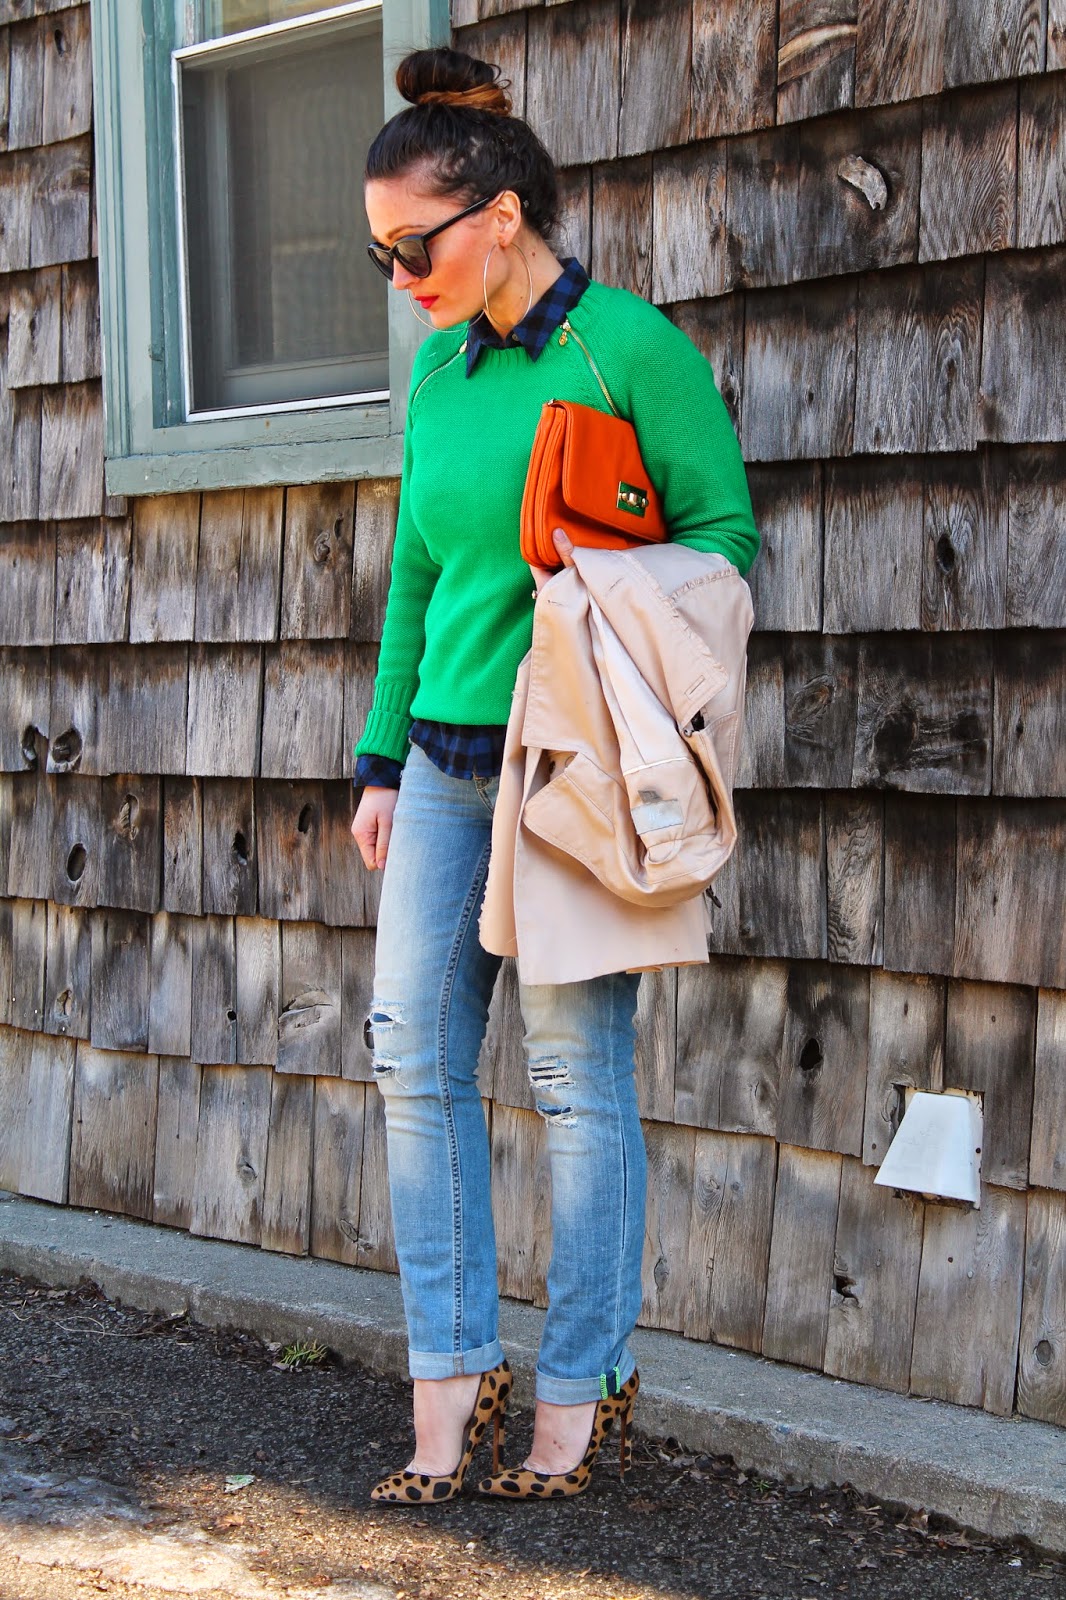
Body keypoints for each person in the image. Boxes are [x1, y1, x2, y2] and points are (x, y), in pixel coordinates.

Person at [350, 45, 760, 1505]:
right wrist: (380, 757)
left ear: (503, 213)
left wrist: (593, 589)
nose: (400, 276)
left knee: (574, 1077)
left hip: (573, 766)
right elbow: (416, 576)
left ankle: (579, 1396)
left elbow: (723, 548)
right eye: (381, 253)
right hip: (446, 764)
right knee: (412, 1058)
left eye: (415, 246)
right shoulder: (437, 373)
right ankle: (449, 1384)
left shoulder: (630, 350)